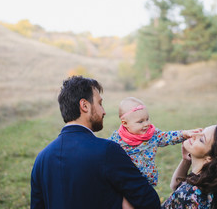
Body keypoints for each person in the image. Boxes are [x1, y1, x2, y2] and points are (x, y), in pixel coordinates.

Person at [30, 76, 161, 209]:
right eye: (100, 104)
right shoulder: (107, 151)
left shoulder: (41, 159)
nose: (104, 112)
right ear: (84, 105)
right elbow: (149, 201)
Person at [109, 97, 201, 187]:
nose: (146, 124)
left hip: (148, 182)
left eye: (147, 119)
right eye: (140, 121)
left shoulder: (152, 134)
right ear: (125, 123)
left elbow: (167, 137)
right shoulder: (117, 139)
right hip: (127, 182)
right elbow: (104, 152)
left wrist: (184, 134)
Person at [161, 122, 217, 209]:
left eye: (202, 139)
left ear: (210, 158)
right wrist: (186, 161)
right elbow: (176, 186)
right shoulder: (210, 180)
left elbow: (181, 192)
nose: (194, 135)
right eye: (201, 131)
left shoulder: (189, 197)